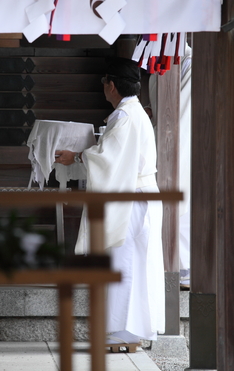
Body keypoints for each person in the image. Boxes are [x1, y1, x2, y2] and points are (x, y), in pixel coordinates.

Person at [54, 57, 165, 349]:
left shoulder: (124, 116)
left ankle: (121, 332)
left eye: (104, 82)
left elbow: (108, 159)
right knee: (138, 263)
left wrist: (76, 156)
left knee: (122, 261)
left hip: (132, 197)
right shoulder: (136, 112)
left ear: (111, 85)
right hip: (144, 194)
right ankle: (134, 331)